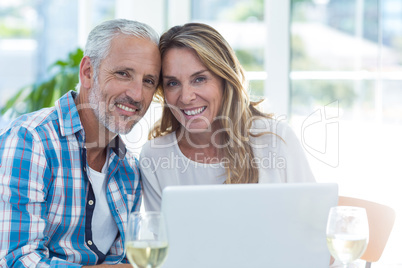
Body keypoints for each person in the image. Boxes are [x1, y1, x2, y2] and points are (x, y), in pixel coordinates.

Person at [0, 19, 161, 267]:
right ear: (88, 72)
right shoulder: (31, 141)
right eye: (123, 74)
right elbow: (17, 260)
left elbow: (122, 259)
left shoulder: (129, 169)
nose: (137, 94)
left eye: (148, 81)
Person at [140, 22, 315, 212]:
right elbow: (159, 237)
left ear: (225, 80)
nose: (186, 96)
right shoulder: (155, 156)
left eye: (199, 79)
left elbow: (312, 220)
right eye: (173, 83)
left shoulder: (275, 138)